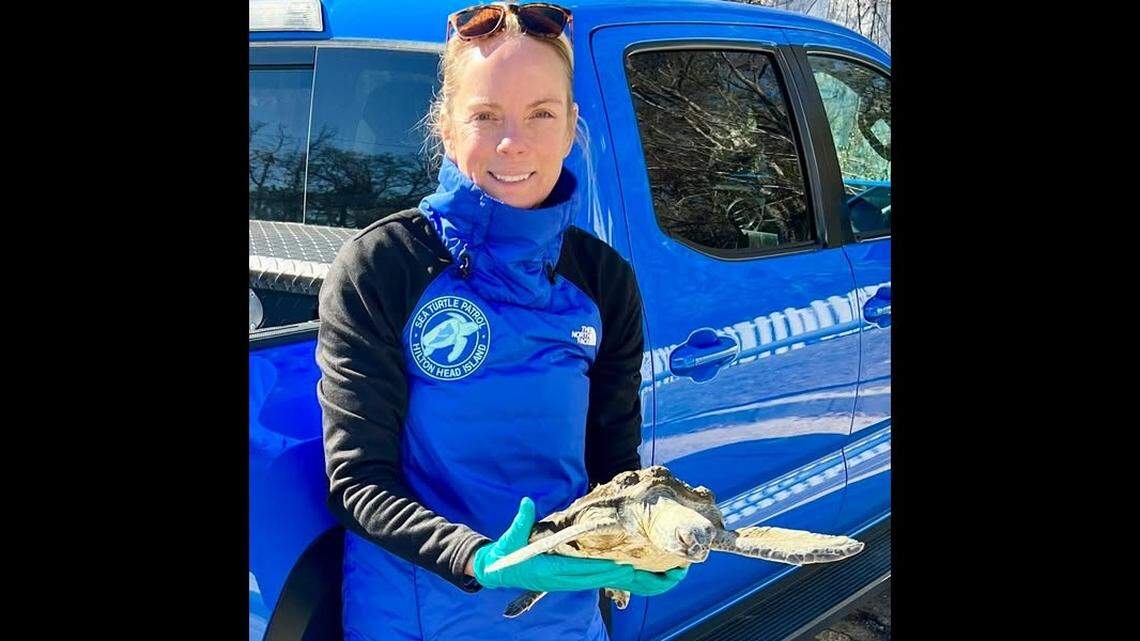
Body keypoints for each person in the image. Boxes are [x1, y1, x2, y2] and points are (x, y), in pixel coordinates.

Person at [316, 3, 687, 640]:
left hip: (563, 618)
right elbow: (358, 481)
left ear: (570, 127)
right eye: (485, 115)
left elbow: (613, 467)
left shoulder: (603, 281)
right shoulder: (383, 267)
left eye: (541, 113)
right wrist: (480, 559)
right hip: (414, 617)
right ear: (446, 127)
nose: (513, 142)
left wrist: (645, 538)